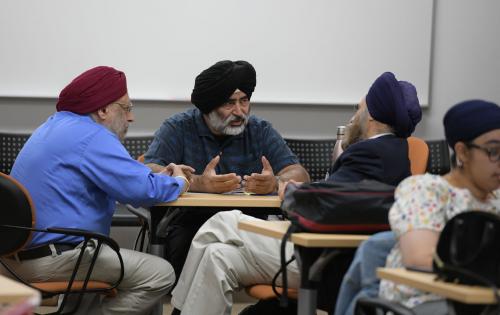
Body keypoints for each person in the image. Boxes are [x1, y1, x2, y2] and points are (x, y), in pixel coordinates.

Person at [170, 71, 423, 315]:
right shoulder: (395, 152)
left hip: (324, 258)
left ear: (372, 118)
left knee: (221, 222)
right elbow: (344, 197)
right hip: (331, 251)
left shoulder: (368, 153)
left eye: (357, 109)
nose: (352, 118)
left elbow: (327, 204)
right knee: (217, 256)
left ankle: (178, 309)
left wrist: (289, 190)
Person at [4, 66, 193, 315]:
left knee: (95, 271)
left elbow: (120, 178)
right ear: (103, 110)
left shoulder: (56, 125)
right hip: (52, 259)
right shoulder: (92, 136)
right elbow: (141, 190)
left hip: (12, 257)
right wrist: (179, 181)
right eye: (126, 108)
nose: (131, 117)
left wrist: (138, 174)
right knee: (159, 274)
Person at [143, 60, 310, 277]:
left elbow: (299, 174)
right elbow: (150, 169)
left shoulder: (259, 130)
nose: (240, 112)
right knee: (187, 246)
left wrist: (275, 182)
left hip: (250, 222)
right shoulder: (178, 127)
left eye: (244, 101)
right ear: (208, 107)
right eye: (229, 103)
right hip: (190, 220)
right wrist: (198, 183)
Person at [376, 100, 500, 314]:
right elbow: (420, 258)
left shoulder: (496, 201)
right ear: (462, 152)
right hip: (422, 303)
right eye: (494, 151)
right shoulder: (428, 190)